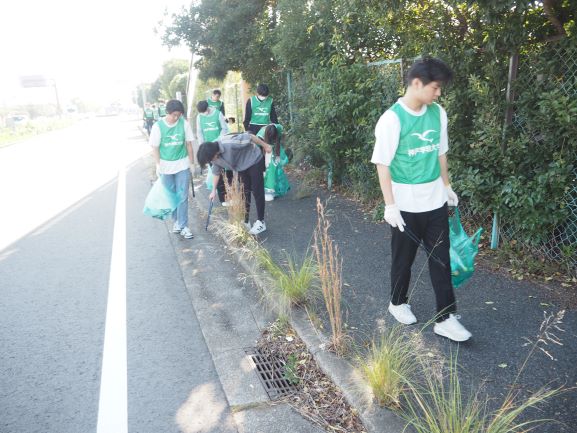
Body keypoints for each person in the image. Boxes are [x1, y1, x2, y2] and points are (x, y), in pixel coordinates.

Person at [371, 57, 471, 342]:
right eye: (436, 87)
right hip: (404, 205)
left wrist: (447, 185)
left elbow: (440, 152)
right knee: (403, 259)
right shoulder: (392, 119)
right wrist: (390, 205)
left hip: (435, 201)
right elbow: (383, 164)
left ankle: (445, 317)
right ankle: (397, 302)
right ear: (417, 83)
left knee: (441, 260)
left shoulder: (438, 113)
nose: (438, 93)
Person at [197, 133, 272, 235]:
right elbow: (216, 173)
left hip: (254, 160)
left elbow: (250, 136)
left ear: (214, 153)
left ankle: (261, 222)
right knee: (244, 193)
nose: (211, 161)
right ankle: (246, 221)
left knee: (257, 191)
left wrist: (265, 146)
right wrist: (213, 190)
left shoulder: (230, 144)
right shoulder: (215, 159)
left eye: (210, 159)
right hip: (241, 167)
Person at [149, 99, 195, 239]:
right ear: (167, 113)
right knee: (171, 196)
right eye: (174, 115)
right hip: (165, 166)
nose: (176, 117)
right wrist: (158, 165)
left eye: (179, 115)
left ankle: (184, 225)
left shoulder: (184, 124)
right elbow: (155, 148)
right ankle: (176, 222)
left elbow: (188, 145)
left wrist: (192, 163)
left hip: (182, 165)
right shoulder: (158, 126)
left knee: (182, 196)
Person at [195, 100, 231, 206]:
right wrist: (202, 145)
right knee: (216, 173)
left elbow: (225, 129)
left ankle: (231, 194)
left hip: (220, 146)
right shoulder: (199, 117)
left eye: (204, 112)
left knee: (227, 171)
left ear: (208, 108)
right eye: (201, 113)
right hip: (208, 150)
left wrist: (216, 141)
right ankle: (224, 198)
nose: (203, 115)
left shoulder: (218, 113)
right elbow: (199, 132)